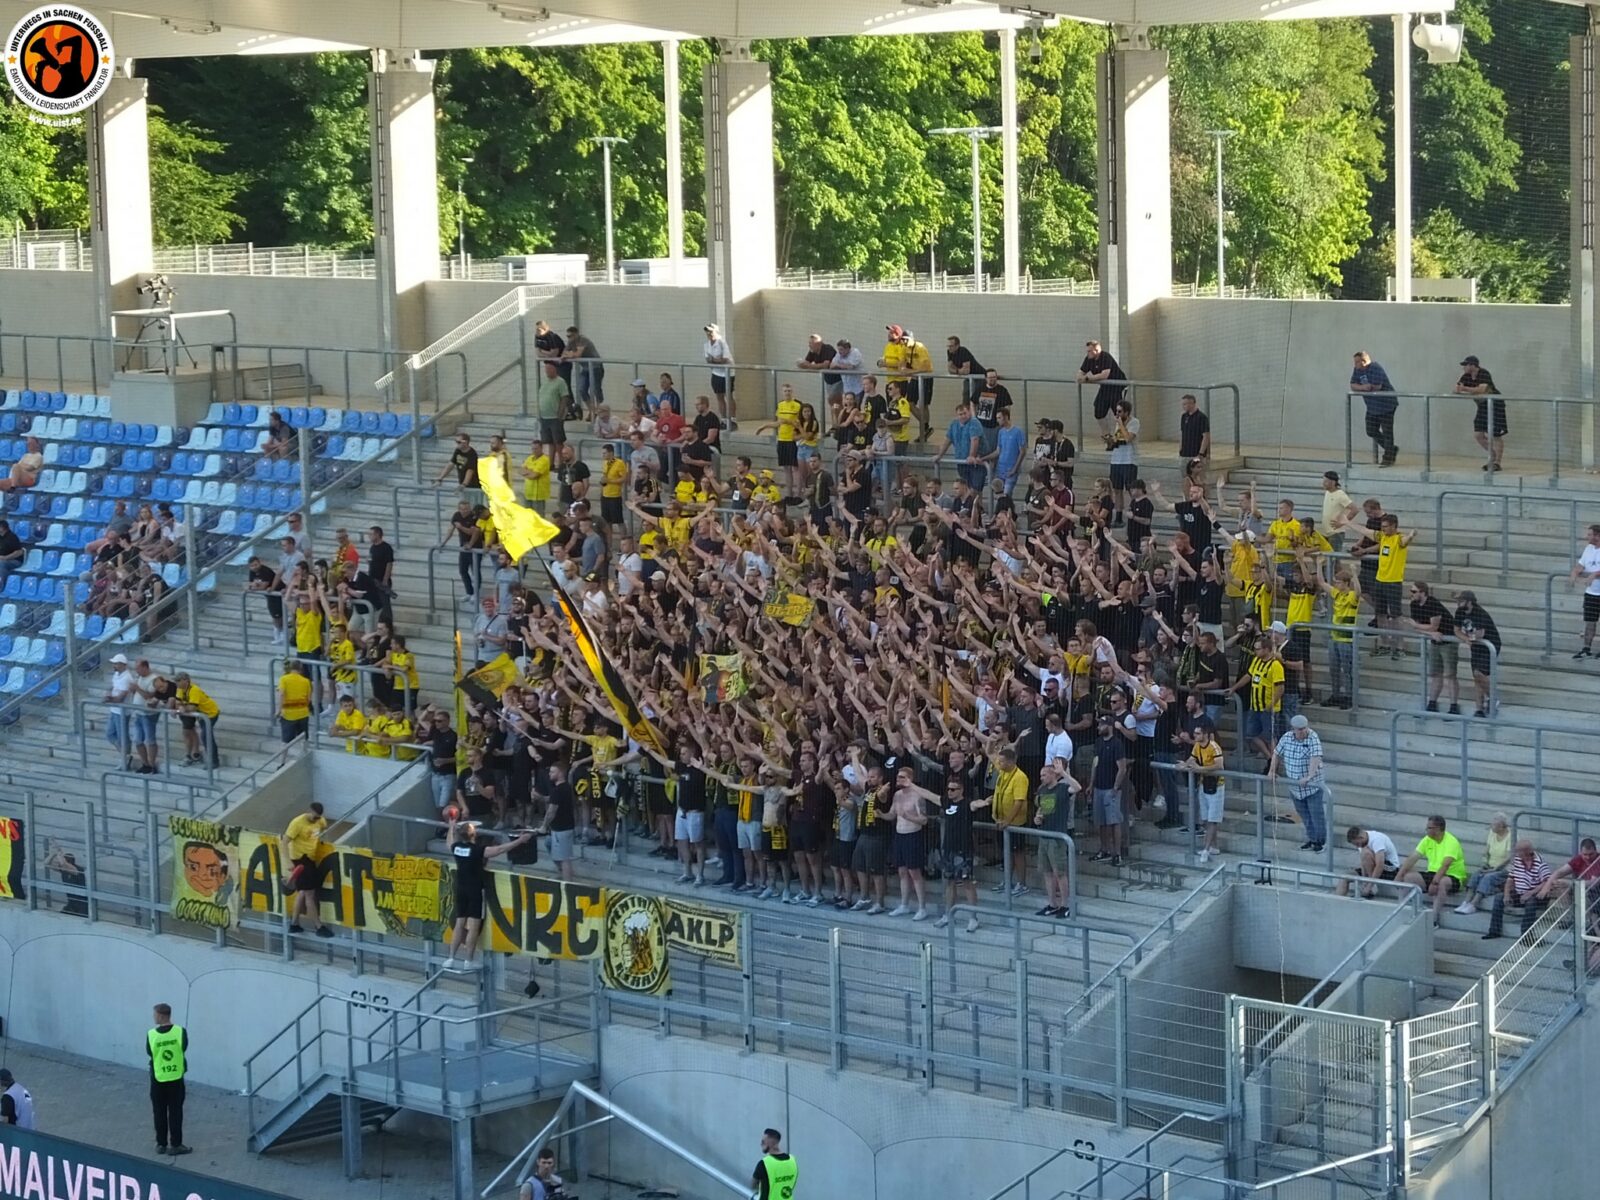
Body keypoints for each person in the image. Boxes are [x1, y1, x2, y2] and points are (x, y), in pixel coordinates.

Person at [446, 815, 532, 970]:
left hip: (460, 888)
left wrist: (451, 826)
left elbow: (449, 842)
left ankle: (451, 958)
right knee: (473, 925)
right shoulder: (478, 850)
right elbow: (500, 849)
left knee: (459, 923)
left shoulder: (457, 848)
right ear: (474, 835)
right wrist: (520, 840)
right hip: (475, 889)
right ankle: (468, 960)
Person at [1397, 815, 1469, 926]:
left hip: (1453, 877)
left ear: (1438, 829)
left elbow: (1445, 866)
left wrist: (1434, 883)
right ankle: (1402, 910)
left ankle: (1433, 920)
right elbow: (1413, 857)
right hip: (1433, 873)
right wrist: (1400, 874)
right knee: (1408, 877)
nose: (1427, 830)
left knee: (1442, 882)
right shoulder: (1427, 840)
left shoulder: (1451, 842)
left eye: (1429, 828)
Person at [1268, 715, 1326, 853]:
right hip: (1295, 787)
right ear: (1293, 729)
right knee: (1305, 815)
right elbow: (1276, 753)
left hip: (1312, 786)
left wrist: (1309, 776)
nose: (1302, 732)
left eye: (1304, 728)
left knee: (1316, 815)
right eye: (1299, 729)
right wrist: (1271, 771)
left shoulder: (1313, 737)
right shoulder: (1287, 737)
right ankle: (1312, 839)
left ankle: (1321, 842)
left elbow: (1316, 757)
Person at [1033, 761, 1079, 917]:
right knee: (1047, 872)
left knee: (1060, 872)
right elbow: (1040, 809)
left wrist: (1064, 773)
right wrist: (1037, 819)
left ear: (1053, 774)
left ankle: (1066, 905)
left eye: (1044, 774)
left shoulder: (1062, 789)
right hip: (1044, 835)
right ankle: (1052, 903)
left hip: (1057, 837)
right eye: (1040, 775)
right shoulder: (1042, 790)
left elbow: (1077, 788)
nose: (1041, 778)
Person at [281, 802, 333, 937]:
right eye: (314, 817)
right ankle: (318, 926)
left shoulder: (320, 821)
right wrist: (288, 862)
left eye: (318, 818)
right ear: (309, 811)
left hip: (310, 859)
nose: (316, 819)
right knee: (310, 894)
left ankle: (294, 923)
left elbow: (324, 830)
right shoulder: (297, 823)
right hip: (300, 860)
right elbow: (284, 841)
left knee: (303, 892)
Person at [1483, 839, 1552, 941]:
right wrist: (1506, 894)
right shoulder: (1517, 861)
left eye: (1519, 851)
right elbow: (1510, 879)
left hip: (1536, 894)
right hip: (1520, 892)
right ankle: (1494, 931)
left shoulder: (1540, 863)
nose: (1517, 853)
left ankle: (1526, 936)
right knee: (1499, 898)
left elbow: (1546, 882)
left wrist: (1530, 893)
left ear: (1526, 851)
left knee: (1531, 902)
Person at [1407, 580, 1459, 714]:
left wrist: (1418, 626)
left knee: (1450, 675)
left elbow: (1433, 626)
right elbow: (1422, 629)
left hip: (1448, 641)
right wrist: (1428, 632)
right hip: (1434, 641)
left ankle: (1453, 706)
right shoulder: (1414, 604)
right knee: (1436, 673)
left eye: (1414, 591)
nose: (1411, 594)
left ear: (1422, 592)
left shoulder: (1433, 603)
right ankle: (1432, 703)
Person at [147, 1002, 190, 1156]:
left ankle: (161, 1144)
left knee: (159, 1112)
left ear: (161, 1015)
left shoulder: (152, 1034)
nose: (153, 1017)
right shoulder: (180, 1032)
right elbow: (184, 1047)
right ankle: (176, 1145)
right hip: (176, 1079)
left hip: (158, 1079)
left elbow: (149, 1052)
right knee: (175, 1112)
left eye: (154, 1014)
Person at [1452, 589, 1501, 719]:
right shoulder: (1460, 612)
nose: (1458, 603)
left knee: (1479, 673)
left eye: (1461, 600)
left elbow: (1480, 634)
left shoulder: (1479, 613)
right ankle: (1479, 709)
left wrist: (1472, 638)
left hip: (1489, 646)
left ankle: (1493, 697)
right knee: (1476, 677)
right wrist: (1466, 638)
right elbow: (1456, 630)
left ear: (1469, 601)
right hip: (1476, 647)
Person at [1183, 722, 1226, 863]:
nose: (1195, 736)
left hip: (1216, 785)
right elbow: (1192, 759)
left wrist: (1199, 769)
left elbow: (1219, 765)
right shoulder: (1196, 746)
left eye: (1198, 733)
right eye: (1194, 733)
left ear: (1205, 735)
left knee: (1213, 819)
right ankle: (1214, 846)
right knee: (1207, 818)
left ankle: (1206, 849)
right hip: (1204, 784)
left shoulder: (1214, 747)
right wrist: (1185, 764)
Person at [1453, 354, 1505, 472]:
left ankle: (1497, 462)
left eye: (1466, 365)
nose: (1464, 368)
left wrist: (1465, 389)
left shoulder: (1483, 374)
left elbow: (1482, 389)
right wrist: (1460, 388)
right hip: (1482, 406)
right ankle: (1492, 454)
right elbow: (1456, 388)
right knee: (1478, 434)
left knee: (1495, 434)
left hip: (1495, 405)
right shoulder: (1466, 376)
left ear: (1472, 365)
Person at [1455, 812, 1512, 916]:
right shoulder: (1492, 833)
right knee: (1477, 874)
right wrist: (1485, 863)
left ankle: (1473, 904)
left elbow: (1509, 858)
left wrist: (1495, 869)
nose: (1491, 826)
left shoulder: (1511, 836)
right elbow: (1486, 850)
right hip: (1491, 866)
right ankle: (1466, 902)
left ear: (1501, 826)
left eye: (1494, 825)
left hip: (1504, 869)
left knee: (1487, 878)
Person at [1348, 351, 1398, 466]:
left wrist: (1365, 388)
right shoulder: (1357, 370)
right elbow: (1353, 384)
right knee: (1370, 430)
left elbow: (1376, 386)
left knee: (1387, 432)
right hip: (1372, 407)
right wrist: (1362, 387)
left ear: (1364, 362)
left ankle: (1388, 458)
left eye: (1357, 362)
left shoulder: (1375, 368)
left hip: (1386, 406)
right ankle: (1391, 449)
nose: (1354, 364)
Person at [1336, 825, 1402, 898]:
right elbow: (1363, 862)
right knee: (1345, 876)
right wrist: (1364, 880)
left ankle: (1372, 886)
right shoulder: (1362, 843)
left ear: (1361, 837)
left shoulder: (1377, 839)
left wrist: (1370, 885)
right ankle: (1336, 902)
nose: (1357, 846)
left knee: (1366, 853)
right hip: (1373, 867)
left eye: (1357, 844)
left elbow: (1380, 864)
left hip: (1390, 869)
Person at [1078, 339, 1126, 435]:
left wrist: (1088, 378)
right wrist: (1081, 377)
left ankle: (1122, 437)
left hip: (1116, 387)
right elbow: (1080, 373)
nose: (1088, 353)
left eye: (1090, 351)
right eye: (1087, 351)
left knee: (1118, 413)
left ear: (1096, 350)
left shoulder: (1105, 357)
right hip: (1105, 387)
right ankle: (1107, 436)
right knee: (1098, 412)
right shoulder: (1089, 359)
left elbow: (1104, 375)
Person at [1570, 524, 1600, 660]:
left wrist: (1594, 575)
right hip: (1591, 593)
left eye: (1589, 534)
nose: (1587, 537)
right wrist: (1574, 573)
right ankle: (1586, 648)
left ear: (1597, 536)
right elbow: (1580, 565)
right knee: (1590, 622)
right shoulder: (1588, 549)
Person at [752, 1128, 798, 1200]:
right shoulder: (792, 1161)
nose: (761, 1144)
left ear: (771, 1142)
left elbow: (753, 1185)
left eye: (763, 1142)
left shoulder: (764, 1163)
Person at [703, 322, 735, 423]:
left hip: (727, 373)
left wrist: (715, 360)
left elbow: (725, 359)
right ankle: (724, 419)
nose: (709, 334)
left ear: (715, 331)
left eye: (711, 331)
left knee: (728, 395)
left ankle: (733, 419)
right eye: (707, 332)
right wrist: (715, 360)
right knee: (719, 396)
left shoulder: (721, 342)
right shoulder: (706, 345)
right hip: (716, 373)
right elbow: (708, 359)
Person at [537, 360, 572, 450]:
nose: (547, 371)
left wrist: (560, 414)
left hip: (555, 416)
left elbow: (564, 398)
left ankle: (561, 461)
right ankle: (551, 462)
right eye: (546, 369)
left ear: (554, 369)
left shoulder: (560, 382)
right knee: (549, 442)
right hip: (544, 416)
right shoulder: (545, 382)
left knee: (558, 441)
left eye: (549, 369)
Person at [277, 659, 313, 743]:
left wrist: (279, 710)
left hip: (288, 714)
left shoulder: (284, 679)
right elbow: (309, 698)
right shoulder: (306, 681)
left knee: (286, 741)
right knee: (303, 738)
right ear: (301, 668)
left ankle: (283, 756)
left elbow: (281, 694)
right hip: (303, 713)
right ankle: (304, 754)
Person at [1177, 393, 1210, 463]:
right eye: (1183, 404)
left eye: (1185, 404)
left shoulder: (1201, 417)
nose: (1183, 406)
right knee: (1185, 472)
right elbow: (1182, 433)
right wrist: (1180, 449)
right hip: (1185, 453)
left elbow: (1206, 436)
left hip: (1196, 454)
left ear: (1191, 404)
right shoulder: (1184, 416)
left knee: (1197, 472)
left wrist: (1201, 453)